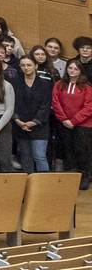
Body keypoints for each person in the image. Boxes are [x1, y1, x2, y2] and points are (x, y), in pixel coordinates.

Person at [52, 59, 92, 189]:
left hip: (83, 124)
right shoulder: (59, 84)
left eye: (76, 69)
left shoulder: (87, 87)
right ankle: (72, 176)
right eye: (70, 68)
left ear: (80, 71)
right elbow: (56, 103)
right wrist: (64, 120)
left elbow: (89, 107)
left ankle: (84, 176)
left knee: (81, 150)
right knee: (68, 149)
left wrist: (74, 121)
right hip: (64, 123)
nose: (72, 71)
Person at [13, 55, 53, 173]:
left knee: (39, 156)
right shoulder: (15, 82)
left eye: (29, 65)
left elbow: (46, 106)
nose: (26, 68)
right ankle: (29, 181)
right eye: (23, 65)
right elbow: (12, 103)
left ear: (36, 66)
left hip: (40, 125)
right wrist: (17, 120)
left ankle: (44, 182)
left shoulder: (45, 84)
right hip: (21, 125)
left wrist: (34, 122)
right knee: (26, 156)